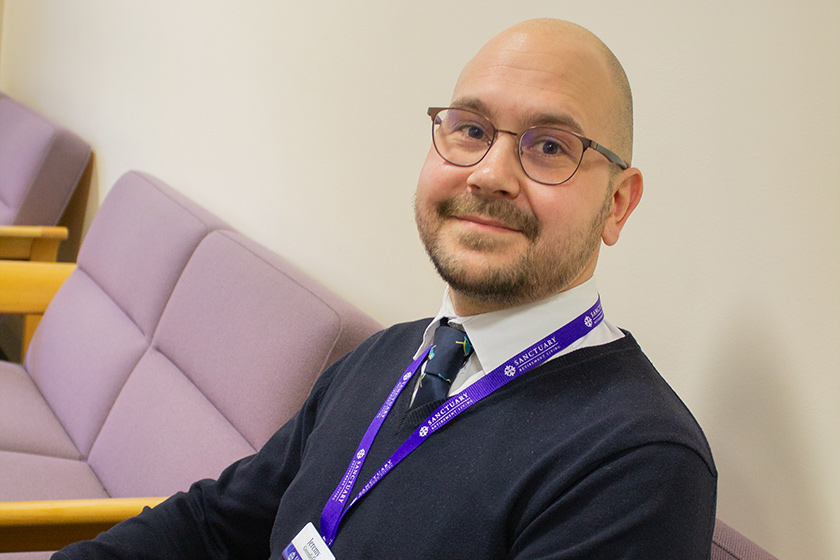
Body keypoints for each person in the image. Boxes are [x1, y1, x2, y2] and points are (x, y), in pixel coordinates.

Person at [55, 18, 716, 560]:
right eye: (472, 130)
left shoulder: (640, 466)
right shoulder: (386, 357)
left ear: (618, 206)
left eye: (549, 146)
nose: (490, 174)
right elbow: (219, 523)